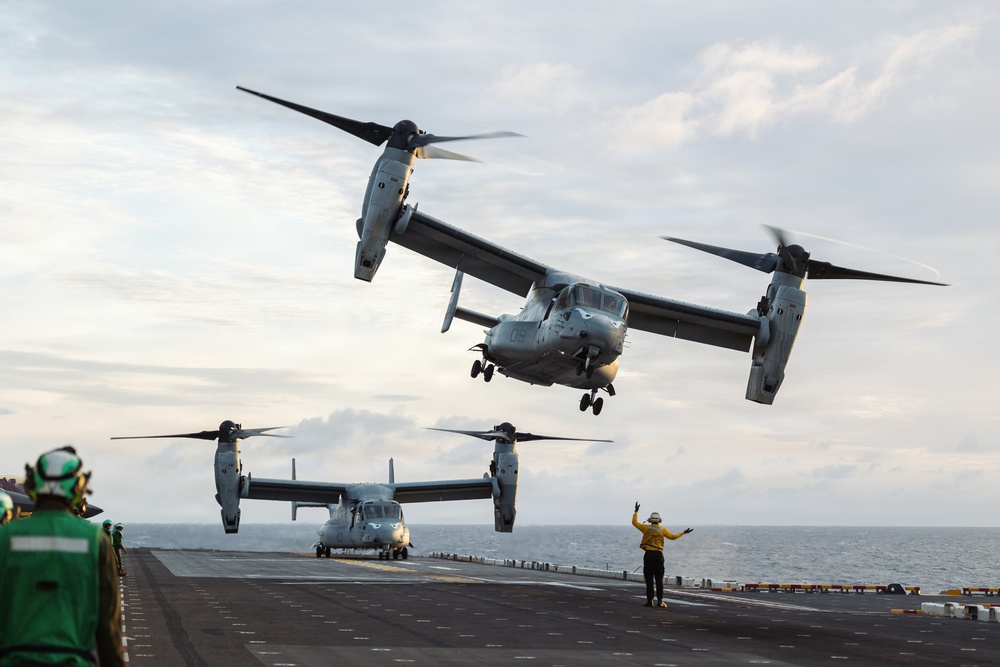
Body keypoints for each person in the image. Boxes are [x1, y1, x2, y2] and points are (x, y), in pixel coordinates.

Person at [0, 446, 124, 667]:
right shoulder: (95, 539)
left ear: (33, 485)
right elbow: (107, 626)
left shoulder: (6, 536)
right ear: (78, 487)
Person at [632, 501, 693, 608]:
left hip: (648, 554)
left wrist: (636, 511)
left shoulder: (646, 528)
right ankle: (660, 601)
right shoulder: (662, 529)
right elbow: (672, 537)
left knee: (649, 579)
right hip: (659, 555)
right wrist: (683, 533)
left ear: (650, 519)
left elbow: (634, 522)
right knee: (659, 579)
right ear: (659, 520)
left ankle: (650, 601)